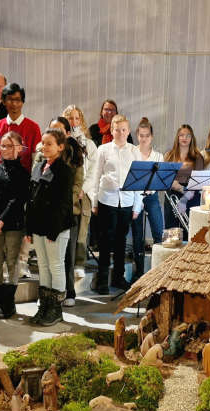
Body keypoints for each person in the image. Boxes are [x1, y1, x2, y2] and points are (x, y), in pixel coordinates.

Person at [88, 114, 142, 295]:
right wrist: (94, 201)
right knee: (105, 242)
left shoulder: (135, 151)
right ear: (111, 131)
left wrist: (137, 206)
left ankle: (119, 278)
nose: (120, 133)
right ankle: (102, 280)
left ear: (128, 131)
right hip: (107, 200)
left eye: (124, 129)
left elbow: (139, 181)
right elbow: (95, 177)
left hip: (126, 202)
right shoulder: (103, 150)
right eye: (117, 129)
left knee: (121, 242)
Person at [26, 128, 74, 326]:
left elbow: (63, 204)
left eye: (49, 144)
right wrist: (29, 228)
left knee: (56, 266)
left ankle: (55, 309)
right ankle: (44, 307)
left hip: (56, 228)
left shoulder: (64, 171)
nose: (44, 147)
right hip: (38, 226)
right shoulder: (38, 167)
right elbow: (32, 199)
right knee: (43, 266)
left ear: (60, 147)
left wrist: (54, 230)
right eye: (43, 143)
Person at [0, 131, 30, 320]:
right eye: (2, 146)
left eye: (10, 145)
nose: (5, 149)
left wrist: (2, 220)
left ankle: (9, 302)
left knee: (12, 262)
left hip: (13, 223)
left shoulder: (23, 172)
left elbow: (17, 199)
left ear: (19, 148)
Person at [41, 117, 85, 307]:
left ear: (67, 134)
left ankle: (69, 291)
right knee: (47, 256)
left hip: (69, 210)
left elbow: (77, 184)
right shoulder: (43, 151)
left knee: (67, 254)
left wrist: (67, 202)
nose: (55, 132)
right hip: (46, 211)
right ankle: (47, 293)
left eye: (59, 130)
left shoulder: (75, 154)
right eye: (52, 129)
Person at [63, 105, 98, 271]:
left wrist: (83, 188)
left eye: (77, 118)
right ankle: (64, 262)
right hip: (66, 191)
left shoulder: (89, 144)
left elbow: (93, 171)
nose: (74, 122)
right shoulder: (60, 142)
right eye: (70, 118)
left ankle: (78, 263)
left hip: (84, 192)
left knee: (81, 233)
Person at [130, 118, 164, 281]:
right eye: (141, 135)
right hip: (135, 196)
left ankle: (158, 270)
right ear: (137, 135)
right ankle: (138, 271)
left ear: (152, 137)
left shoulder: (158, 156)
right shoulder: (132, 152)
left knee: (158, 230)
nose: (144, 139)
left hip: (151, 197)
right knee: (138, 235)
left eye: (147, 136)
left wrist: (152, 186)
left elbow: (160, 179)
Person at [0, 83, 41, 173]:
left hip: (24, 178)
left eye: (18, 100)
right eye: (10, 100)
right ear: (3, 102)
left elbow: (36, 158)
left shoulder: (33, 128)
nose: (14, 104)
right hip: (0, 178)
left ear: (22, 102)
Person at [163, 124, 205, 234]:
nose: (184, 138)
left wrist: (184, 199)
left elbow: (197, 183)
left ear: (192, 138)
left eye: (188, 136)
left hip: (190, 195)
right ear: (177, 137)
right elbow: (164, 178)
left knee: (189, 232)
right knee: (171, 232)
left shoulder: (198, 157)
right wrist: (175, 185)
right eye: (181, 135)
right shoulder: (169, 155)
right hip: (171, 195)